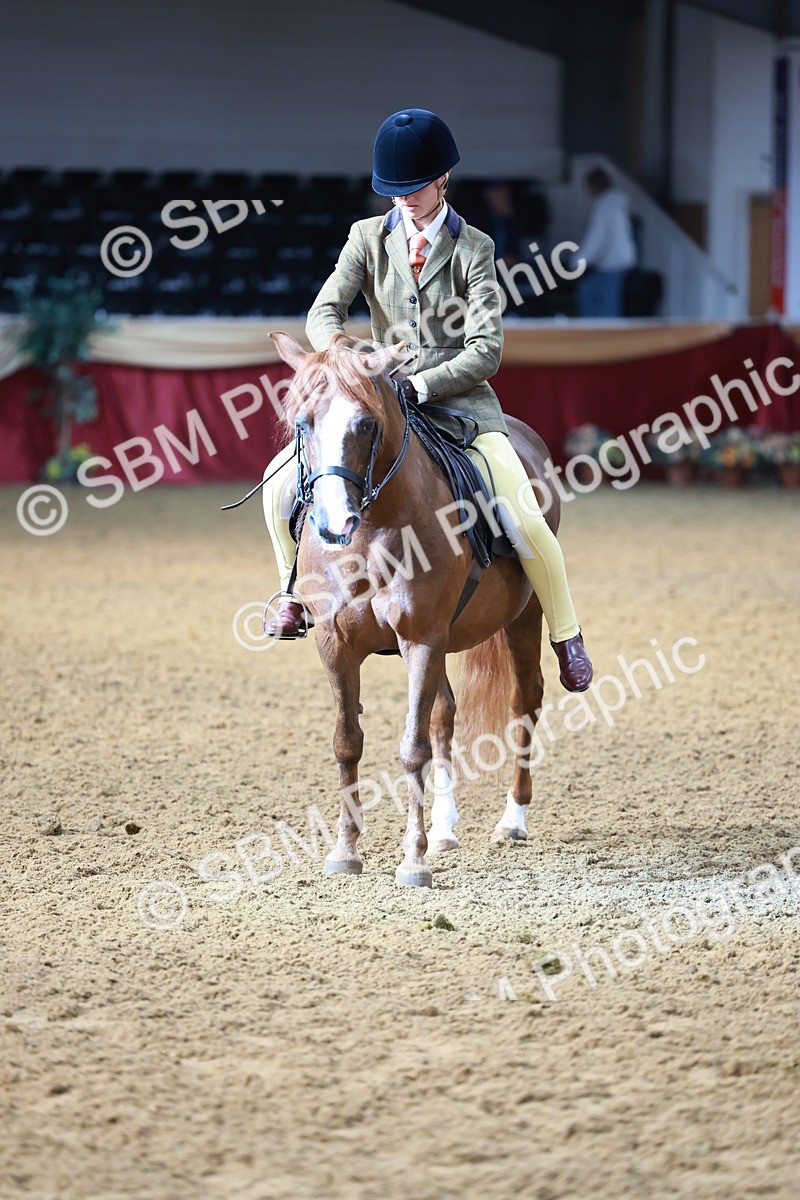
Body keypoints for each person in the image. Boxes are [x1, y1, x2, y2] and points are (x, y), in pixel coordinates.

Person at [262, 107, 593, 692]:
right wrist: (347, 363)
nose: (404, 201)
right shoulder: (367, 237)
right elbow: (323, 311)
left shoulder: (476, 249)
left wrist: (421, 384)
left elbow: (485, 349)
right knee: (281, 478)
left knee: (526, 515)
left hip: (460, 406)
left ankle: (566, 634)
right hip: (378, 400)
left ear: (444, 180)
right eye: (393, 191)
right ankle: (291, 590)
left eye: (414, 189)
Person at [575, 166, 636, 318]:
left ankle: (603, 336)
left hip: (614, 264)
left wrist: (578, 261)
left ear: (593, 186)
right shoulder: (616, 202)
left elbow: (597, 238)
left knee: (609, 306)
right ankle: (593, 330)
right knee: (588, 292)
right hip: (616, 261)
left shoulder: (604, 206)